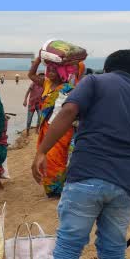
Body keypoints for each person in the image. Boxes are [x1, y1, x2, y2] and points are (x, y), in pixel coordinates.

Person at [32, 49, 130, 259]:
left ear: (107, 67)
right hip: (125, 187)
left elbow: (68, 111)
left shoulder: (94, 81)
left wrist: (42, 151)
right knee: (113, 255)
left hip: (86, 177)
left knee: (68, 250)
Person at [28, 52, 86, 197]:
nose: (51, 73)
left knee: (57, 157)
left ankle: (57, 188)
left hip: (61, 129)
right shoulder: (46, 83)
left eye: (55, 70)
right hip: (46, 127)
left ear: (62, 71)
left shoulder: (68, 88)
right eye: (50, 70)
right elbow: (31, 75)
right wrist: (38, 59)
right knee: (45, 156)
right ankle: (51, 187)